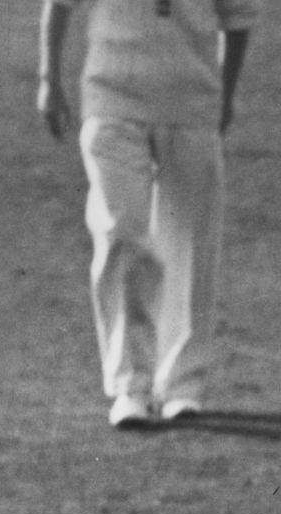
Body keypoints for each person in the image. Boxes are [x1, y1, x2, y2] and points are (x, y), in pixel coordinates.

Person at [39, 0, 254, 430]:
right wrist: (49, 79)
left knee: (191, 241)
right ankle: (129, 385)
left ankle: (181, 384)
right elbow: (59, 5)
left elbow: (238, 17)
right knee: (121, 235)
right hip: (111, 96)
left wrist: (223, 97)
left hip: (192, 101)